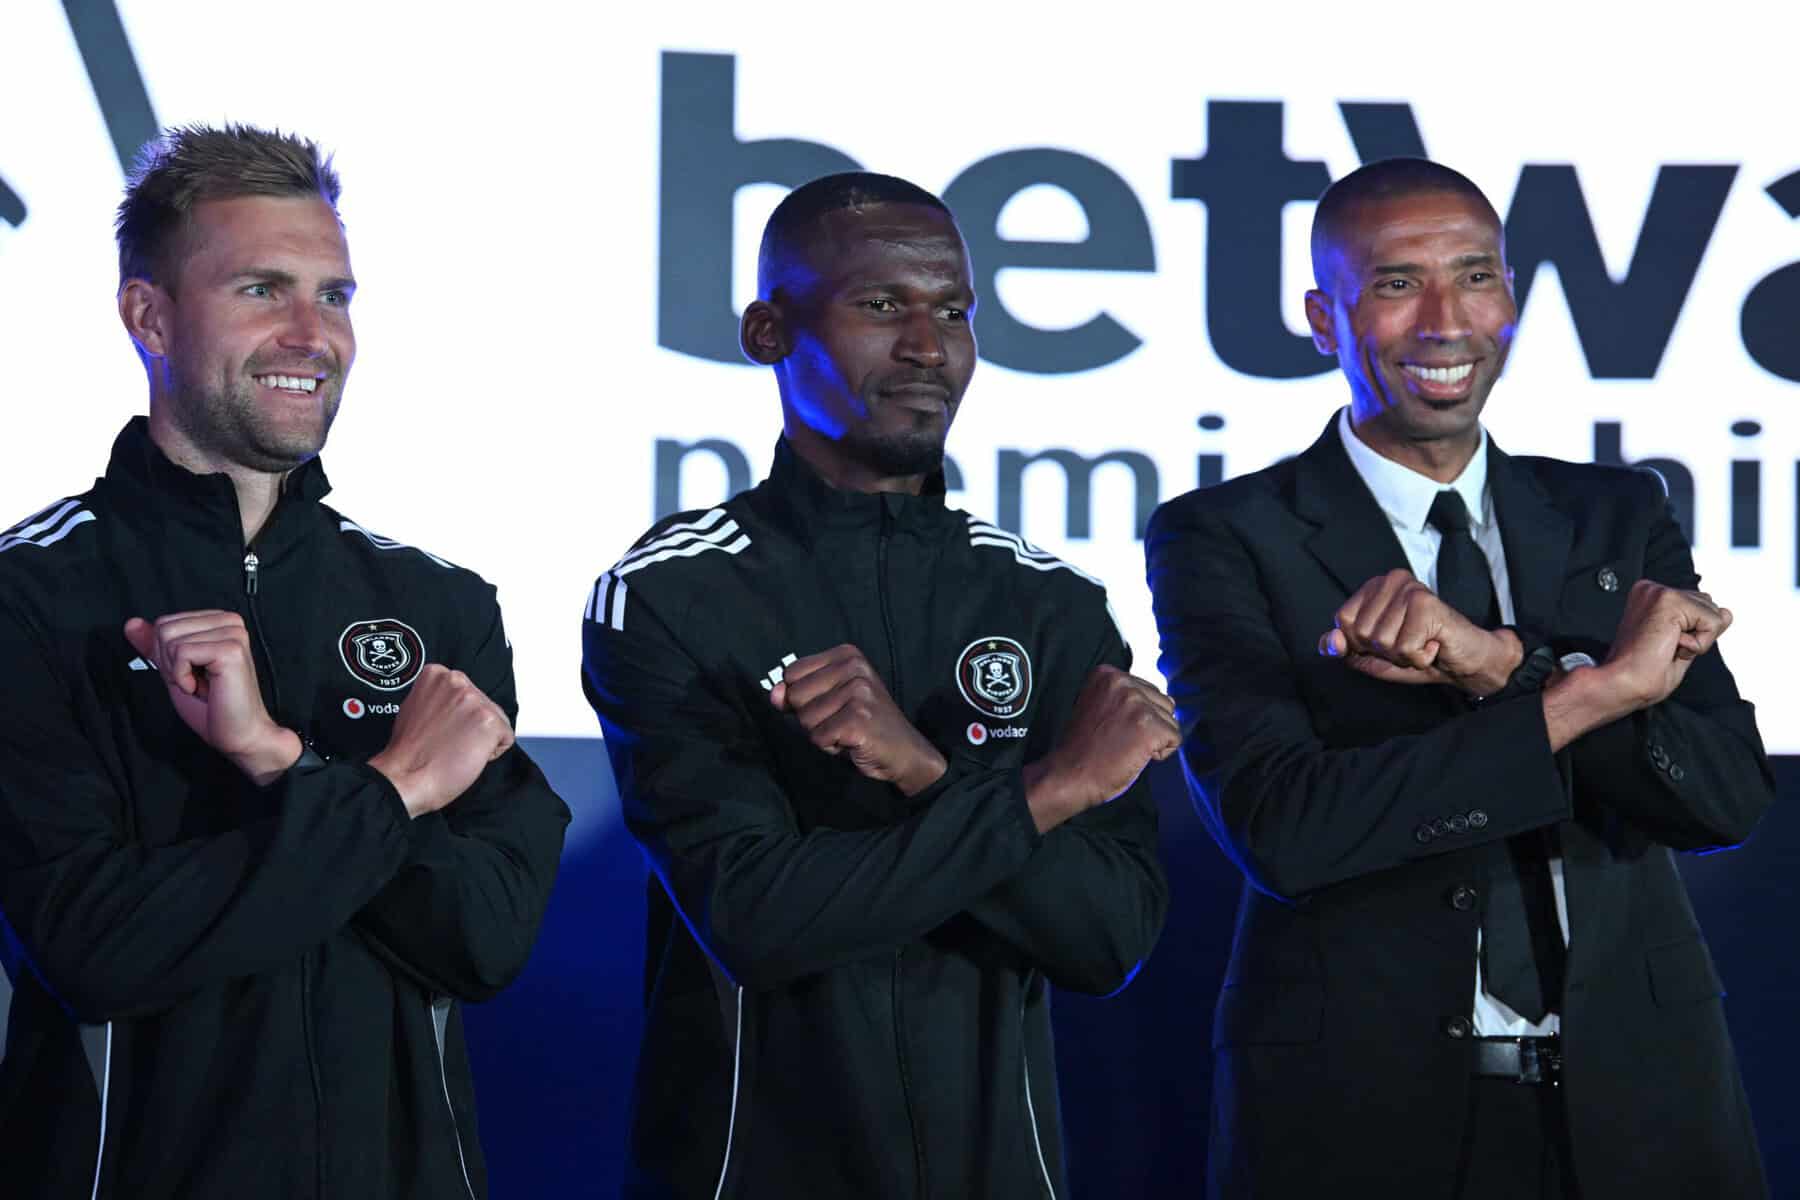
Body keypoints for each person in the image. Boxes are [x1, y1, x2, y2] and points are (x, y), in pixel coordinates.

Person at [1145, 157, 1773, 1199]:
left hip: (1643, 1103)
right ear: (1323, 319)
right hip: (1360, 1111)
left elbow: (1725, 798)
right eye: (1397, 284)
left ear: (1510, 298)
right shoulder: (1226, 535)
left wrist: (1500, 665)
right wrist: (1584, 694)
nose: (1446, 322)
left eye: (1475, 277)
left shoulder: (1616, 516)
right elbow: (1286, 834)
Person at [0, 124, 570, 1199]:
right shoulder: (31, 597)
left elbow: (484, 942)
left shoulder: (438, 605)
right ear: (149, 316)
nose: (313, 334)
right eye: (263, 289)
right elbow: (93, 946)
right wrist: (392, 790)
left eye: (335, 295)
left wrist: (279, 762)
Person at [582, 172, 1176, 1198]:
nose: (928, 346)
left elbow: (1106, 941)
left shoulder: (1052, 605)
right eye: (882, 304)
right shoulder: (673, 591)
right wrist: (1043, 795)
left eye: (954, 310)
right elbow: (755, 917)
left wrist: (927, 774)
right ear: (769, 332)